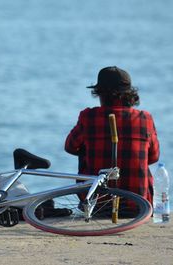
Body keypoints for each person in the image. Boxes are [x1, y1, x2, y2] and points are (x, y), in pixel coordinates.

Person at [65, 66, 159, 204]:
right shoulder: (145, 118)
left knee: (84, 151)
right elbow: (154, 157)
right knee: (141, 160)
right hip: (138, 206)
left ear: (99, 93)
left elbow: (70, 147)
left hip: (96, 204)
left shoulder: (89, 116)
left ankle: (89, 199)